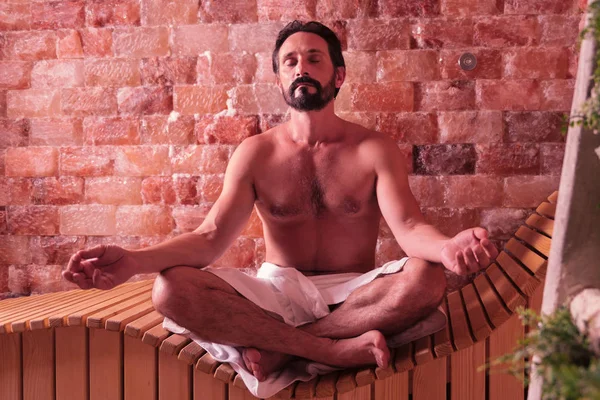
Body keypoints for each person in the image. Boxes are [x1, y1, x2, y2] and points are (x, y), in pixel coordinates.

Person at [63, 21, 498, 385]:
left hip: (355, 295)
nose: (301, 68)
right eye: (290, 62)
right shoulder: (256, 153)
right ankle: (331, 351)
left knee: (426, 277)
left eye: (314, 58)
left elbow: (408, 227)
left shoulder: (373, 148)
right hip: (275, 292)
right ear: (279, 79)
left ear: (338, 76)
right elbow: (210, 238)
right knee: (171, 288)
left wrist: (447, 248)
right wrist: (132, 262)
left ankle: (283, 350)